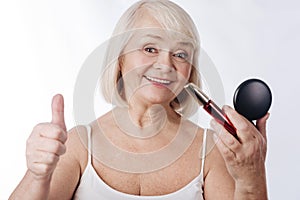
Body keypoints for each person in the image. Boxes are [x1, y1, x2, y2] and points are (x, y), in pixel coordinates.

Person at [9, 0, 269, 199]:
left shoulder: (211, 151)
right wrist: (36, 176)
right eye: (150, 49)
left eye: (180, 54)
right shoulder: (79, 145)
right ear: (120, 58)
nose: (165, 65)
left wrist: (252, 176)